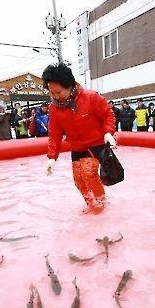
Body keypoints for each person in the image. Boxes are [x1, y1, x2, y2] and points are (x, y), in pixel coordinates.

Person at [42, 63, 116, 214]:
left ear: (69, 86)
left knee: (89, 173)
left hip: (96, 145)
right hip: (76, 147)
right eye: (51, 93)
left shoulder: (91, 97)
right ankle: (91, 204)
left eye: (58, 92)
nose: (55, 96)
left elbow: (108, 115)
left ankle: (101, 203)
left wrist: (108, 132)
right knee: (79, 179)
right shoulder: (54, 108)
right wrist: (52, 157)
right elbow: (54, 134)